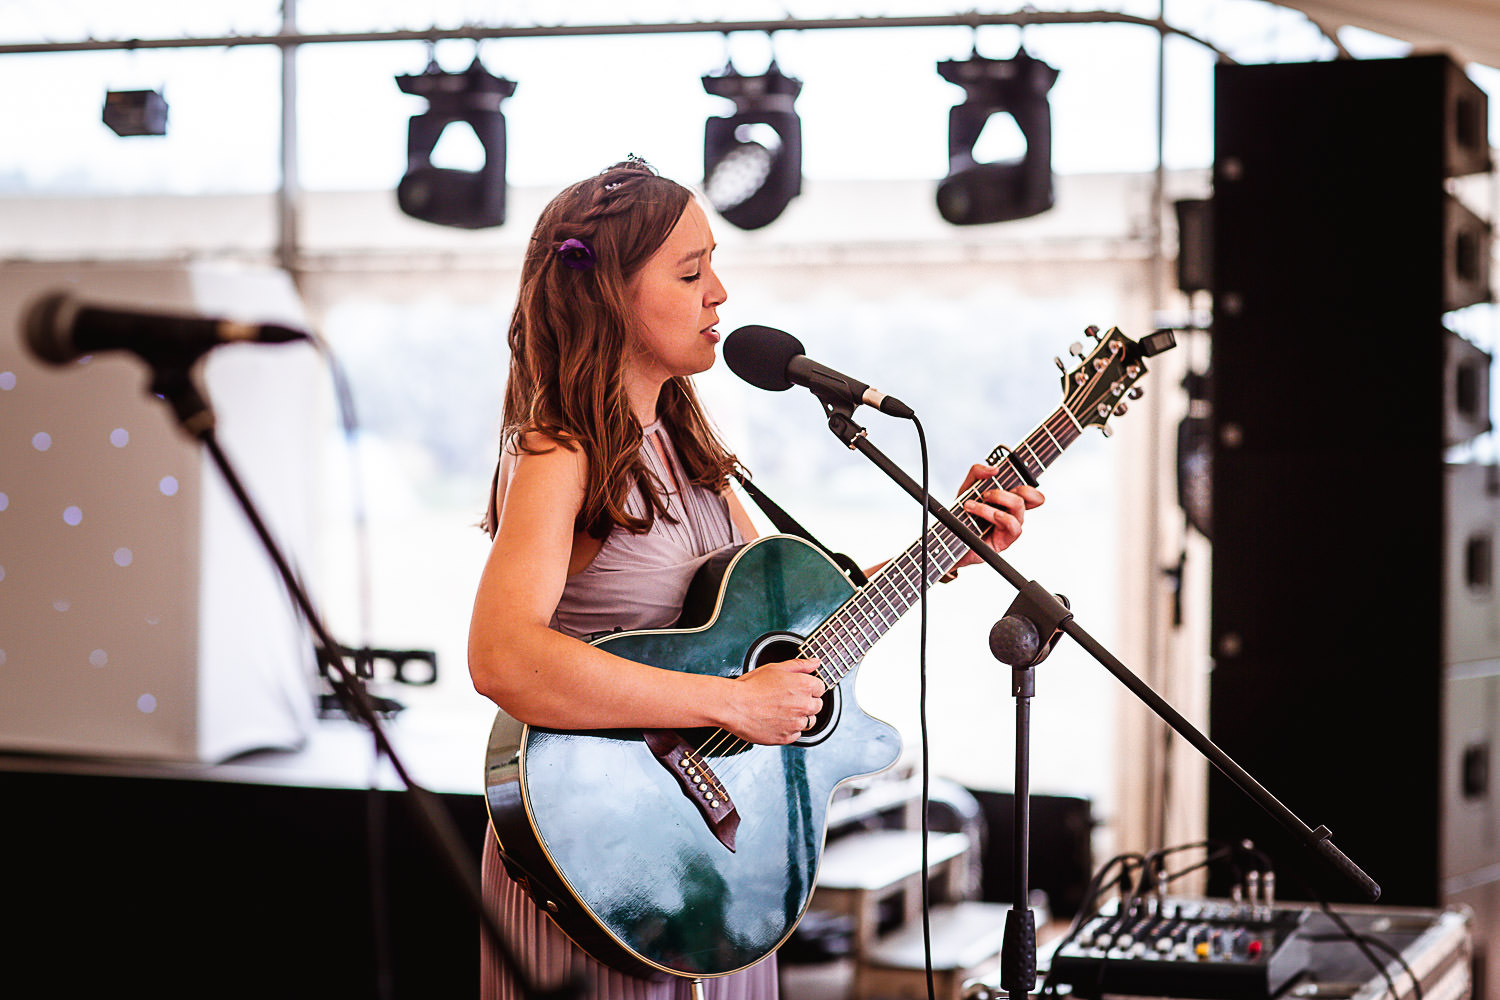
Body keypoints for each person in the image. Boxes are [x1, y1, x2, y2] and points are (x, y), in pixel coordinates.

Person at [467, 157, 1044, 1000]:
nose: (721, 294)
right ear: (611, 295)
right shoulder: (560, 451)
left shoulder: (687, 452)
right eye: (692, 271)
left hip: (712, 866)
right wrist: (733, 706)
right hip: (602, 863)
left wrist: (943, 547)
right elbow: (503, 661)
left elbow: (795, 628)